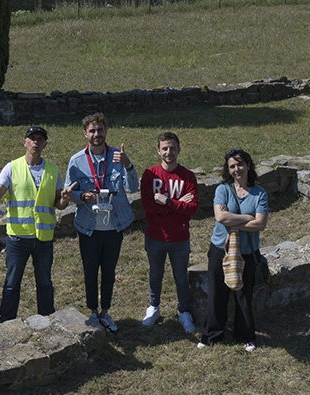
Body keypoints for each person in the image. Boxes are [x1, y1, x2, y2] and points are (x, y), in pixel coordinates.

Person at [0, 125, 74, 323]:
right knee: (11, 283)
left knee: (45, 282)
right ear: (24, 142)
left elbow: (58, 205)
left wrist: (65, 199)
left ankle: (47, 320)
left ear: (45, 144)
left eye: (40, 139)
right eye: (32, 138)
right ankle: (7, 322)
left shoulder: (53, 170)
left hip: (43, 239)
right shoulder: (12, 167)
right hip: (18, 238)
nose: (36, 142)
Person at [66, 113, 138, 334]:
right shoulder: (77, 161)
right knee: (90, 272)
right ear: (85, 133)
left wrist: (128, 164)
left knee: (109, 272)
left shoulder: (118, 156)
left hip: (113, 226)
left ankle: (105, 312)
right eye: (92, 131)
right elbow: (70, 193)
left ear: (106, 131)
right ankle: (92, 311)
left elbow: (134, 187)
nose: (96, 134)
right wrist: (81, 197)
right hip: (88, 227)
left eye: (100, 130)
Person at [199, 147, 268, 352]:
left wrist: (235, 222)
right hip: (221, 248)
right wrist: (248, 218)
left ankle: (245, 335)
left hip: (247, 251)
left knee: (243, 295)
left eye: (240, 164)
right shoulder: (223, 190)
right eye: (232, 166)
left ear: (248, 165)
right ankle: (212, 334)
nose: (237, 169)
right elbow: (220, 217)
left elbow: (261, 224)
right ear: (228, 170)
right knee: (216, 293)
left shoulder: (259, 193)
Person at [140, 131, 199, 333]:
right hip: (155, 234)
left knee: (180, 276)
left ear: (179, 150)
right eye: (165, 148)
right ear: (158, 151)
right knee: (155, 274)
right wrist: (177, 204)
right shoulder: (150, 174)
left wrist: (166, 201)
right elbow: (147, 206)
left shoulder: (187, 176)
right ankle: (153, 307)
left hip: (180, 237)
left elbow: (192, 209)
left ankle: (184, 312)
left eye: (172, 148)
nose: (169, 152)